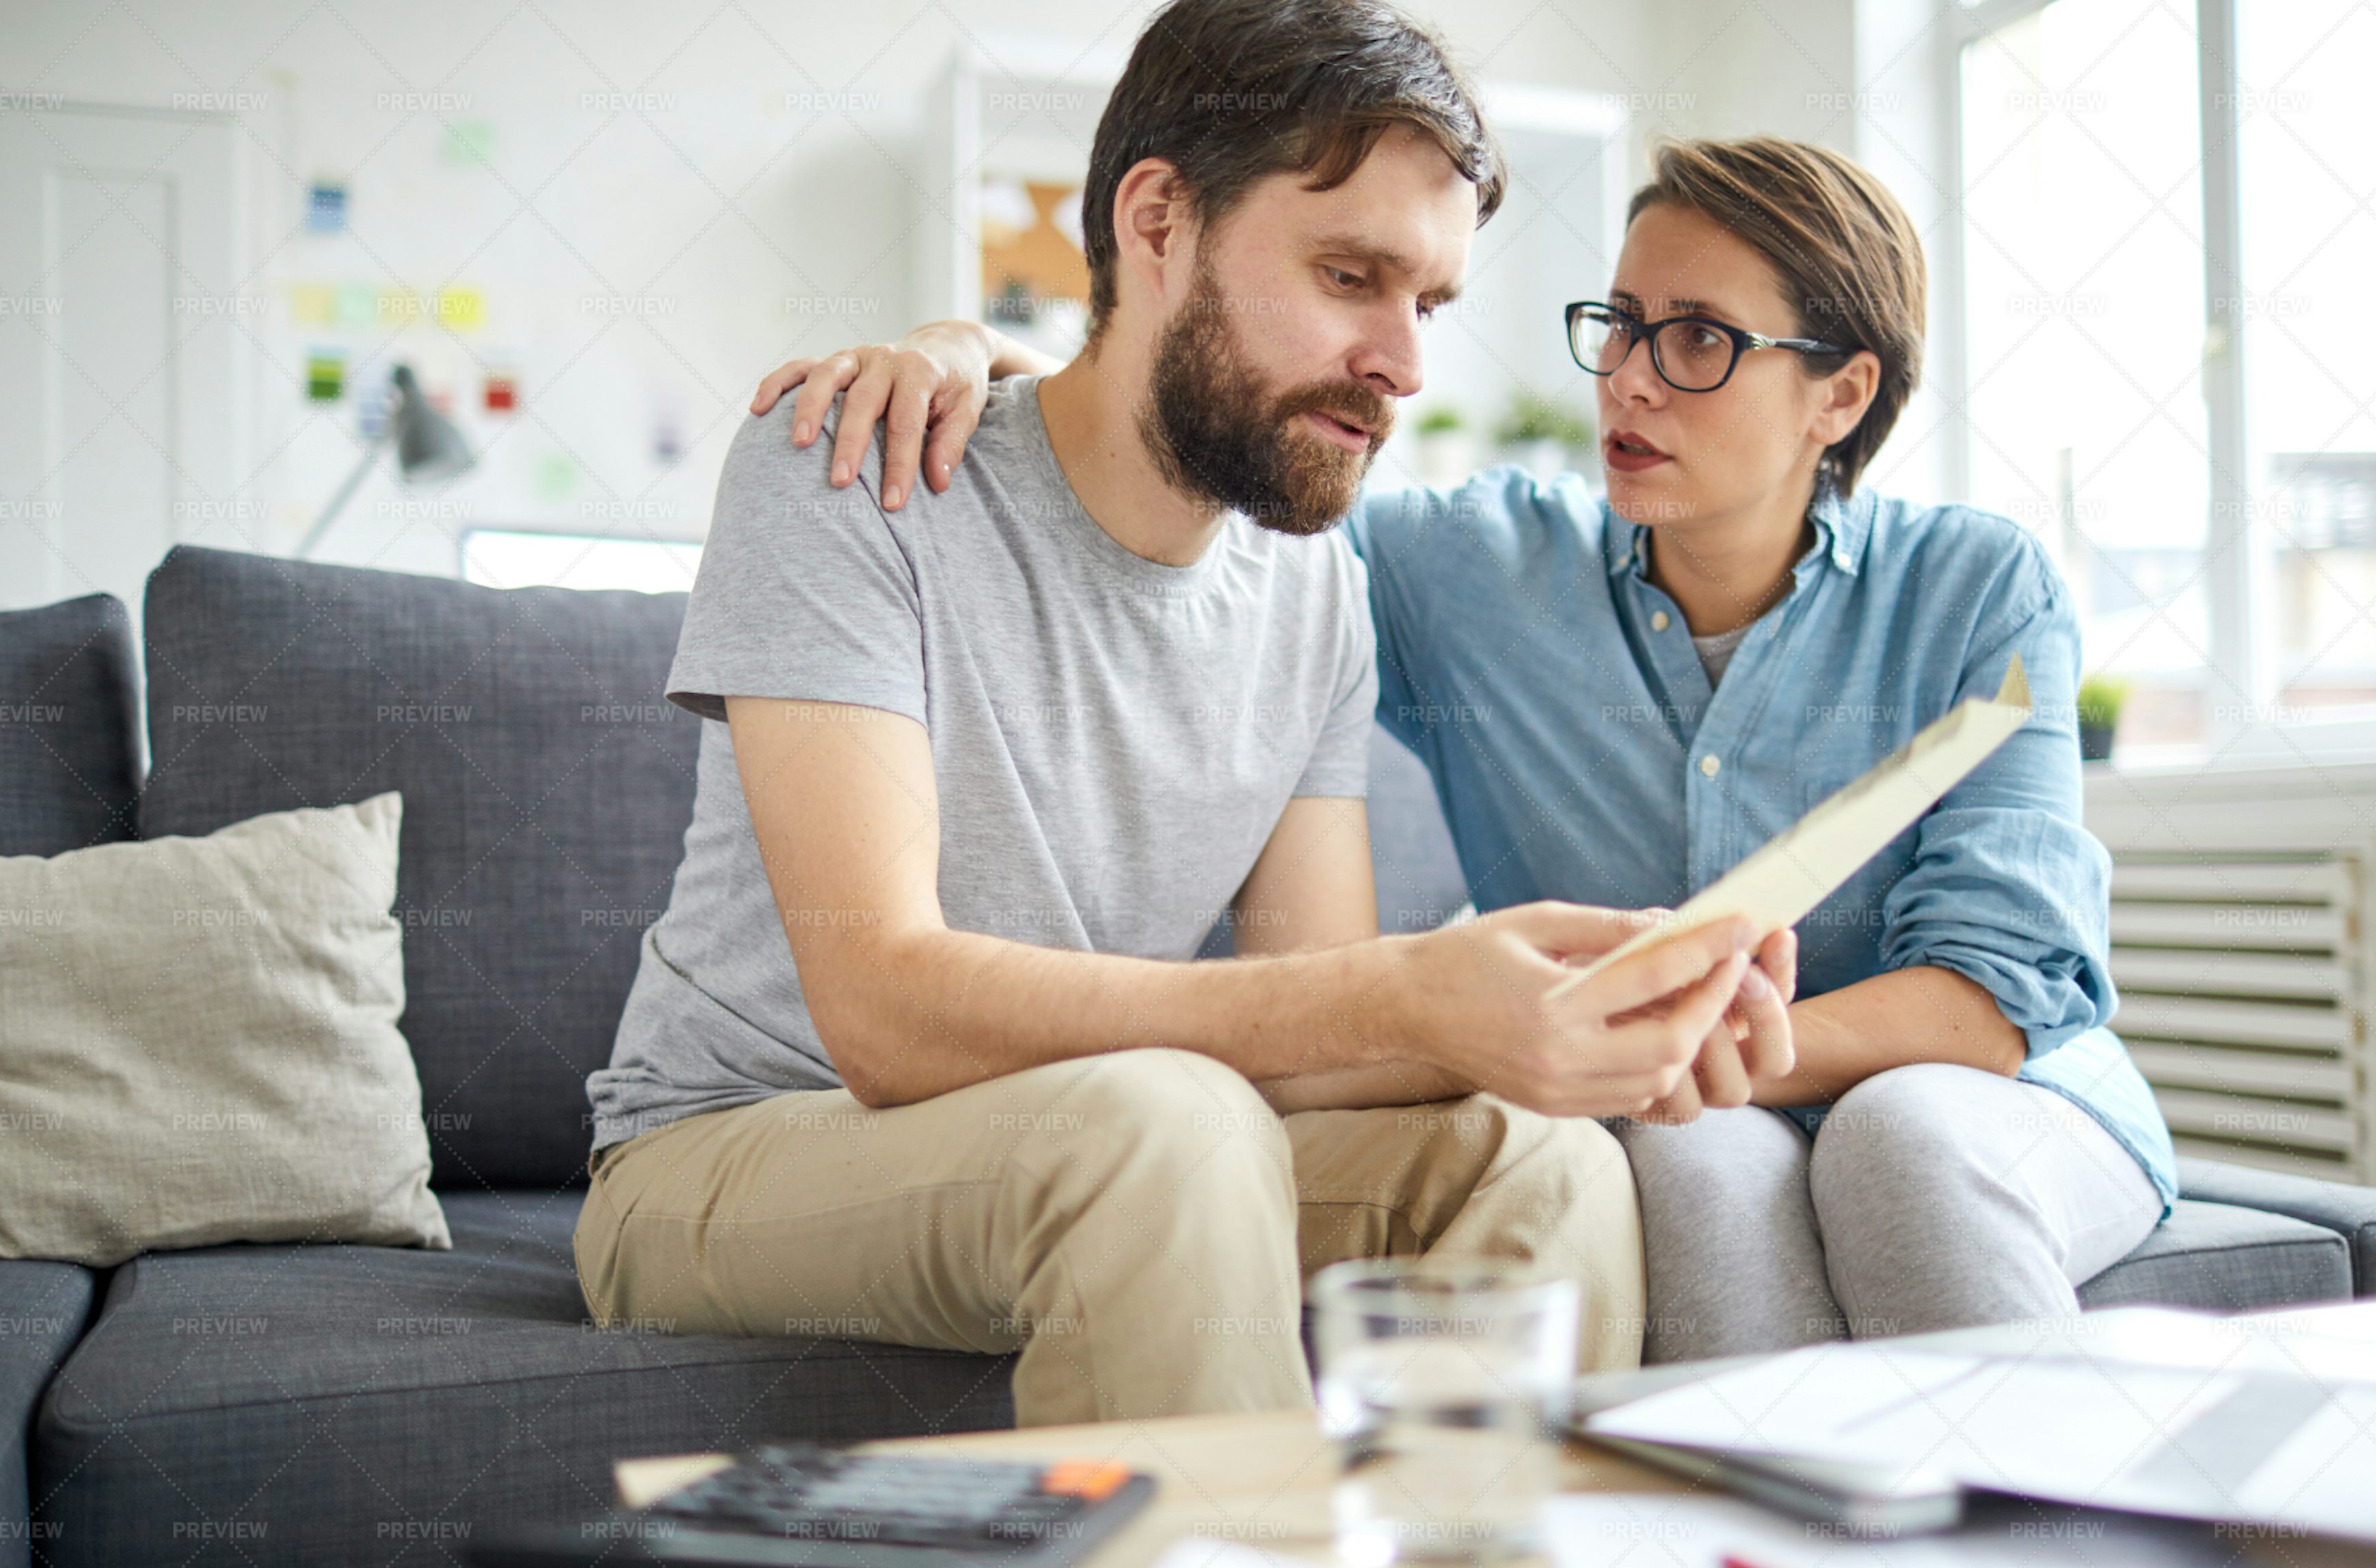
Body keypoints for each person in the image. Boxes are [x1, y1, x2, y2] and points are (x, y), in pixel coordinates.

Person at [751, 134, 2177, 1364]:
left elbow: (1991, 998)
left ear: (1841, 397)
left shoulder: (1978, 590)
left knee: (1899, 1140)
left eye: (1697, 339)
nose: (1629, 381)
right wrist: (969, 352)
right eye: (1617, 324)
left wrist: (1650, 1034)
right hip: (1685, 1107)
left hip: (1999, 1101)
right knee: (1685, 1161)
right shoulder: (1470, 568)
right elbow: (1195, 461)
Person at [578, 0, 1800, 1429]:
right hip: (727, 1156)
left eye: (1431, 304)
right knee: (1167, 1117)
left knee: (1540, 1155)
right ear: (1155, 224)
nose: (1405, 364)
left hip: (1099, 1132)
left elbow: (1322, 1011)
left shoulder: (1313, 593)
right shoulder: (852, 468)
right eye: (1352, 274)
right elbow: (886, 1011)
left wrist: (1572, 1005)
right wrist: (1408, 989)